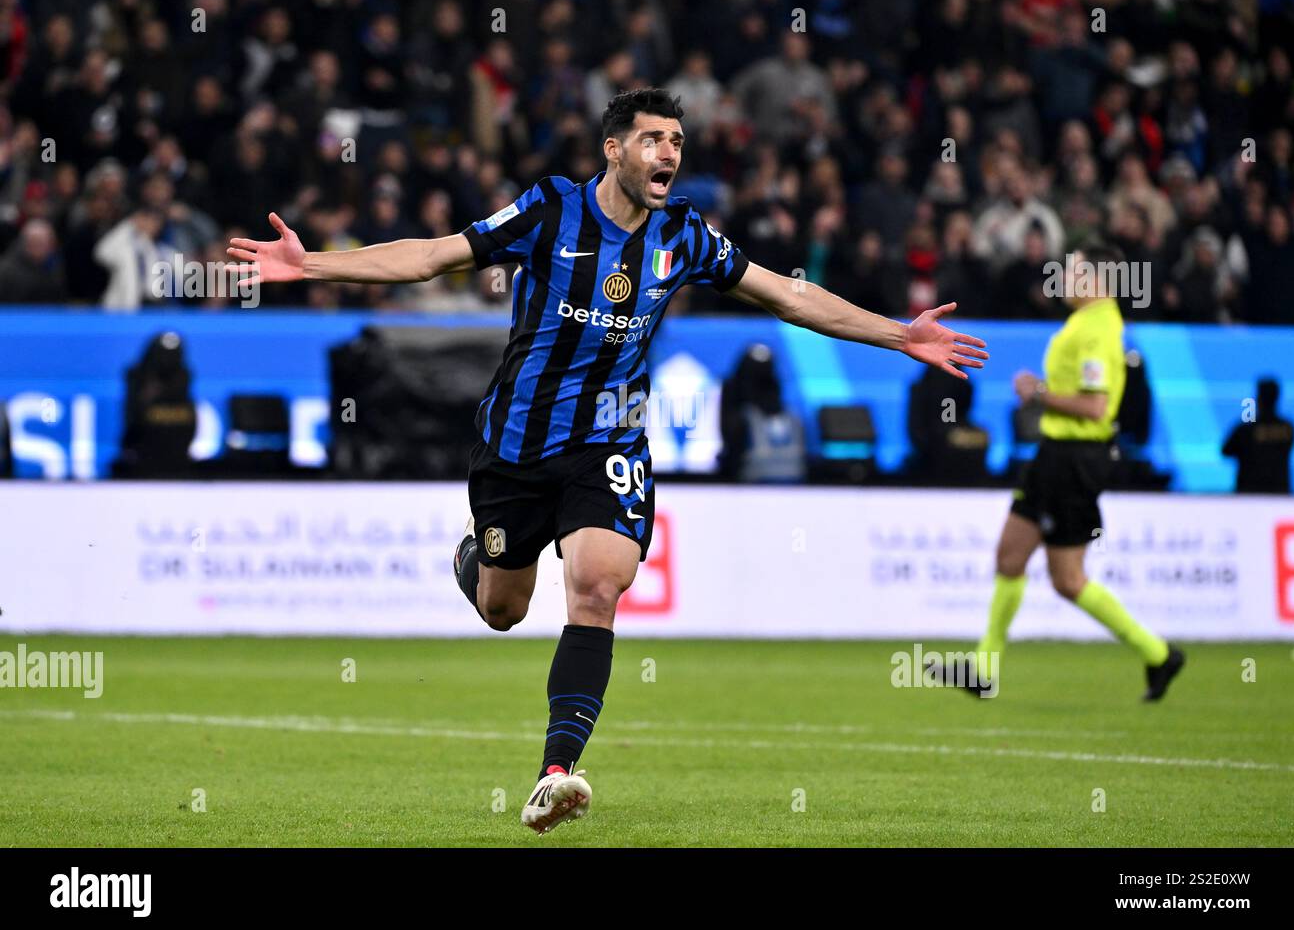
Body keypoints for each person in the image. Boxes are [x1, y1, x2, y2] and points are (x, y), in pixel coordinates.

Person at [227, 88, 989, 834]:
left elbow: (786, 294)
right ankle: (476, 558)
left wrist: (899, 334)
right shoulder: (549, 209)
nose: (669, 154)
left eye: (677, 142)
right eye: (654, 139)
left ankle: (555, 773)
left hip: (608, 443)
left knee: (595, 588)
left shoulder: (685, 236)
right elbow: (431, 256)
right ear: (614, 148)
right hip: (515, 446)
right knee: (503, 609)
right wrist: (315, 265)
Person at [933, 242, 1183, 701]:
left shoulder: (1098, 331)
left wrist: (1039, 392)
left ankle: (1157, 652)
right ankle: (984, 669)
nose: (1063, 280)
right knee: (1010, 556)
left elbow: (1095, 406)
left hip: (1075, 460)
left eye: (1073, 272)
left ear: (1099, 281)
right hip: (1055, 454)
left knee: (1068, 580)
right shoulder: (1086, 323)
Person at [1222, 378, 1294, 493]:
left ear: (1258, 398)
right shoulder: (1288, 428)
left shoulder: (1245, 429)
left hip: (1249, 494)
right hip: (1280, 494)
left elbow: (1225, 451)